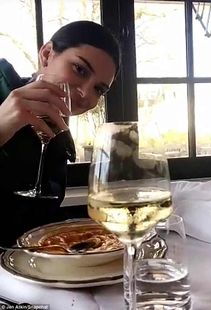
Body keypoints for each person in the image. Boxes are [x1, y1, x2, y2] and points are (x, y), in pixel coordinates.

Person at [0, 20, 121, 246]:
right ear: (47, 55)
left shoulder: (59, 135)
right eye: (79, 69)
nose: (85, 93)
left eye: (99, 89)